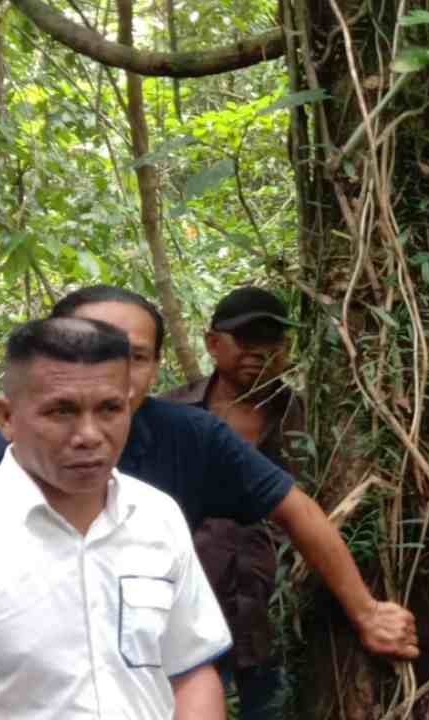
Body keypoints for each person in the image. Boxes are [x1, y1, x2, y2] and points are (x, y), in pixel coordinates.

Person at [0, 285, 419, 660]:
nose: (107, 372)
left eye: (134, 357)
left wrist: (367, 612)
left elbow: (296, 510)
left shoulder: (189, 438)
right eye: (84, 348)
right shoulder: (6, 454)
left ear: (156, 365)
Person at [0, 317, 232, 719]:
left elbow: (189, 668)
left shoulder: (156, 516)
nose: (89, 434)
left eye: (109, 409)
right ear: (6, 418)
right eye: (61, 411)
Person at [163, 287, 305, 720]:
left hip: (277, 619)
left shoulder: (305, 418)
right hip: (185, 617)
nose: (260, 353)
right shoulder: (171, 415)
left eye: (273, 341)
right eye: (246, 340)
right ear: (213, 343)